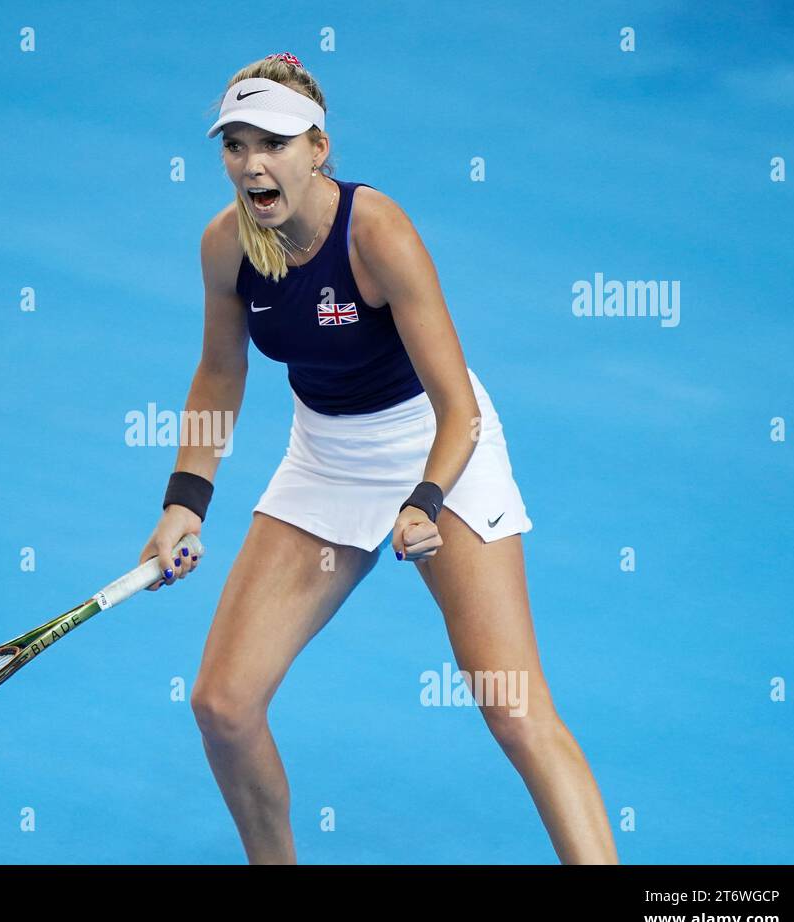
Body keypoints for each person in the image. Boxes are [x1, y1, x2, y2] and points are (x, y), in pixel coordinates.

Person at [139, 52, 618, 865]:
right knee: (222, 705)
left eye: (275, 142)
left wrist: (425, 500)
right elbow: (221, 373)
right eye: (235, 144)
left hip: (436, 444)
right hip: (323, 459)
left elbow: (458, 407)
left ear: (318, 147)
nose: (253, 163)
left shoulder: (377, 232)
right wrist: (186, 499)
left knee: (513, 707)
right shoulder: (226, 246)